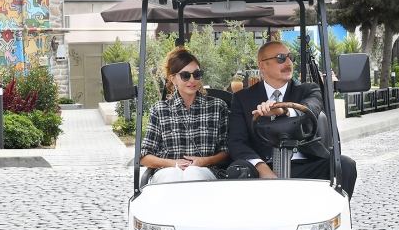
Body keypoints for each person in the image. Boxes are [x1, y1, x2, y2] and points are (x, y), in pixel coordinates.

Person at [227, 41, 357, 197]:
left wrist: (283, 110)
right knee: (237, 172)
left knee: (345, 165)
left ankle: (334, 218)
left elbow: (310, 108)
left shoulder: (308, 90)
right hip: (262, 166)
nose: (288, 62)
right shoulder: (243, 98)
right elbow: (236, 141)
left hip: (304, 164)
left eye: (291, 57)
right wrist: (262, 168)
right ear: (262, 65)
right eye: (281, 58)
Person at [140, 47, 229, 184]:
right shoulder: (159, 110)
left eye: (197, 74)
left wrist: (204, 161)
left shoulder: (217, 107)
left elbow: (226, 151)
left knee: (193, 173)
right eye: (185, 75)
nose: (192, 80)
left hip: (206, 171)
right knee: (172, 176)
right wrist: (173, 164)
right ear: (173, 79)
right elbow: (144, 156)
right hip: (167, 171)